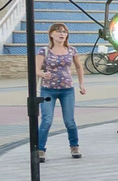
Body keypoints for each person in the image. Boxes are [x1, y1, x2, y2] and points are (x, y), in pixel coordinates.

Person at [35, 22, 85, 161]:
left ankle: (74, 146)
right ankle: (40, 149)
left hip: (67, 90)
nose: (62, 34)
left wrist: (81, 84)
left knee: (69, 121)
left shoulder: (71, 50)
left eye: (64, 31)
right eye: (58, 31)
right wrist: (42, 74)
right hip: (48, 90)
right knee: (46, 120)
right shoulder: (44, 50)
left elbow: (79, 67)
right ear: (51, 34)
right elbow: (36, 69)